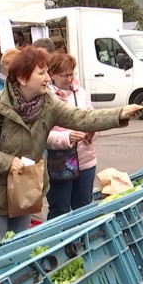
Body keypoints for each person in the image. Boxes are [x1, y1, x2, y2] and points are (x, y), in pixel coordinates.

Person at [0, 46, 142, 242]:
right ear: (22, 78)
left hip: (25, 194)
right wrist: (7, 162)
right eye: (41, 73)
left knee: (23, 251)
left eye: (47, 72)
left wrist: (120, 113)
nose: (48, 78)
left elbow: (82, 118)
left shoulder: (48, 104)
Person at [45, 53, 99, 219]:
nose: (69, 79)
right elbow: (41, 133)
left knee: (83, 208)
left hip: (86, 161)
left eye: (71, 74)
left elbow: (92, 118)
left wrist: (92, 133)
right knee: (59, 211)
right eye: (64, 75)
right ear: (52, 74)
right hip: (59, 163)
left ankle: (83, 243)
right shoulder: (46, 97)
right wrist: (66, 138)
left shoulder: (81, 92)